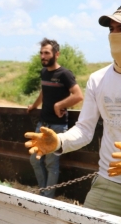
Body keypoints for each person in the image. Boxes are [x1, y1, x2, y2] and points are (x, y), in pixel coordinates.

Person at [24, 3, 121, 224]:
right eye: (111, 29)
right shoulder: (97, 79)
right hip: (108, 183)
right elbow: (85, 130)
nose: (115, 35)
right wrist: (60, 141)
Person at [26, 38, 83, 198]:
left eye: (46, 53)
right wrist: (34, 106)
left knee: (51, 164)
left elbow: (78, 95)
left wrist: (59, 105)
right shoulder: (44, 72)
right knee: (35, 160)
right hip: (42, 125)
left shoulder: (64, 74)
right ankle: (44, 192)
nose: (43, 56)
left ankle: (47, 198)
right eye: (41, 53)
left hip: (57, 126)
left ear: (56, 54)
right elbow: (44, 91)